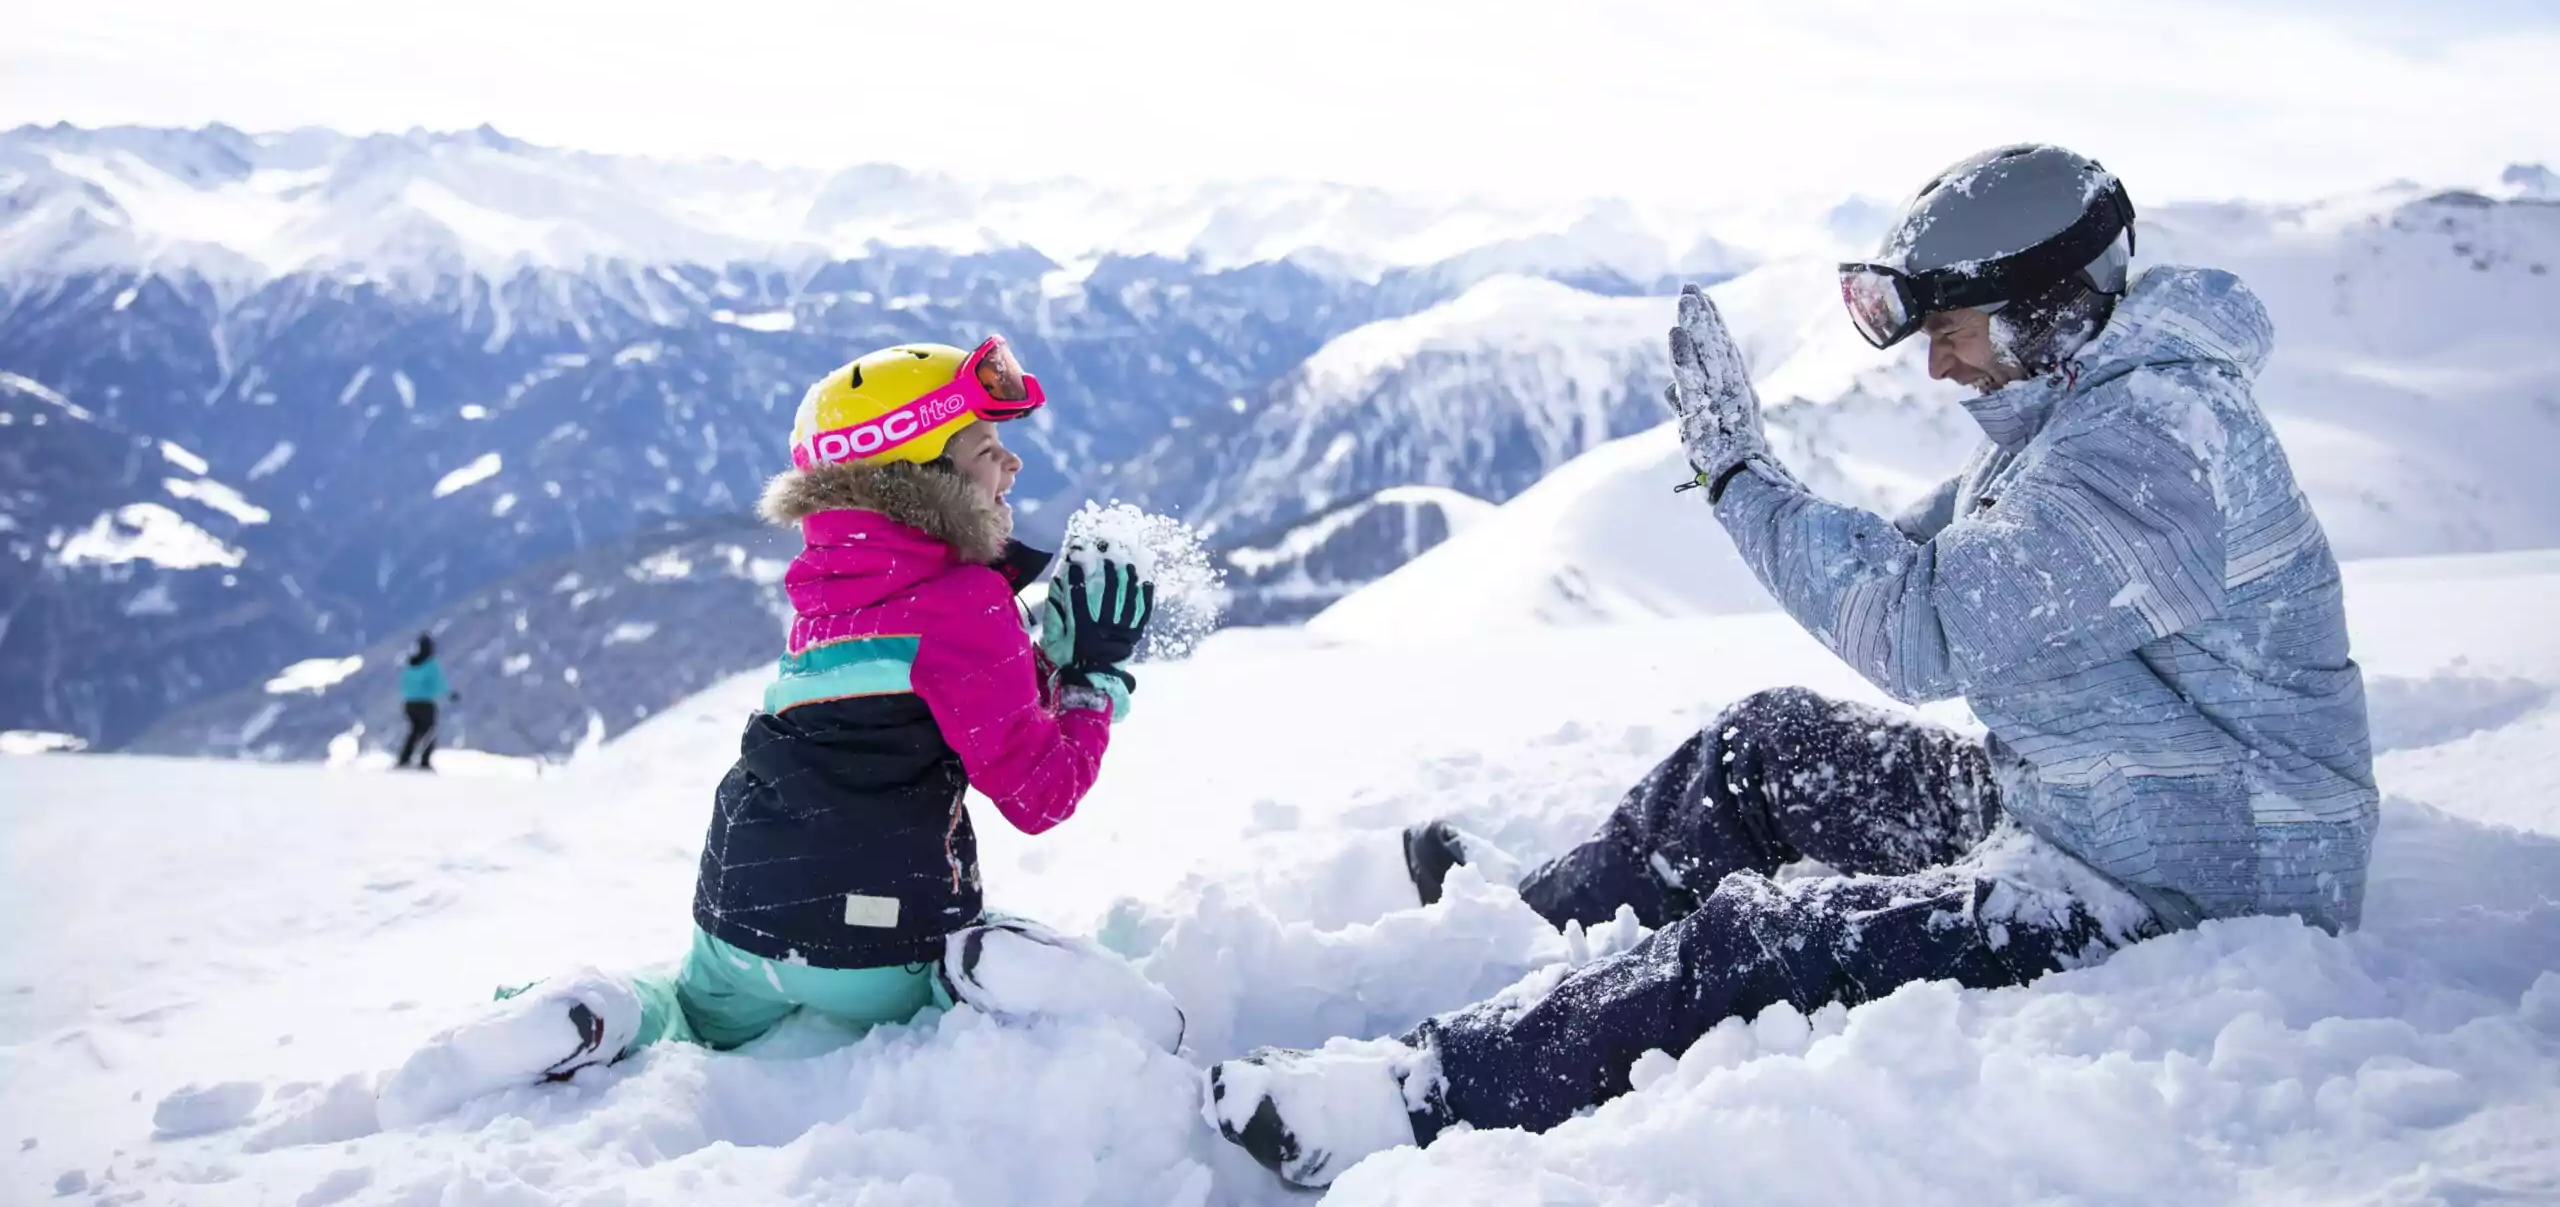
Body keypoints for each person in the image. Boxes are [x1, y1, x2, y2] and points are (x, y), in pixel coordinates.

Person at [1208, 142, 2380, 1186]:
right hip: (2104, 798)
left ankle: (1417, 1100)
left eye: (1952, 332)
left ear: (2044, 311)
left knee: (1769, 940)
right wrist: (1778, 502)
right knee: (1766, 748)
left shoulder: (2149, 454)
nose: (1936, 369)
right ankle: (1534, 926)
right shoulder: (2088, 420)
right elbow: (1942, 552)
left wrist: (1738, 479)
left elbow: (1920, 629)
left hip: (2199, 875)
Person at [379, 336, 1180, 1127]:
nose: (1012, 466)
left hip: (739, 914)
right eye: (986, 446)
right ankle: (990, 969)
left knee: (683, 1005)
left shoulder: (827, 587)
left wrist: (1035, 657)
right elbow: (1041, 791)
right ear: (922, 471)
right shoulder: (970, 600)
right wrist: (1087, 679)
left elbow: (916, 684)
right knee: (939, 981)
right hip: (881, 935)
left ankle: (598, 1014)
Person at [394, 634, 449, 770]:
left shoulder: (411, 664)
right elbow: (438, 683)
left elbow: (404, 683)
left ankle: (404, 759)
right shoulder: (431, 665)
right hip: (425, 703)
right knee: (429, 732)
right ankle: (424, 761)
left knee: (414, 732)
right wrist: (449, 693)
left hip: (409, 704)